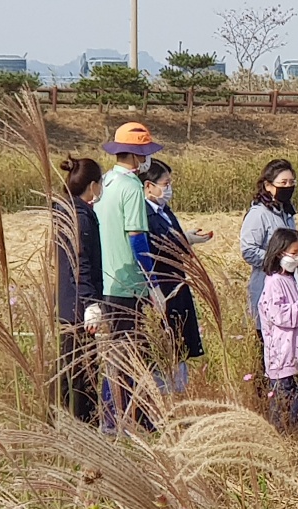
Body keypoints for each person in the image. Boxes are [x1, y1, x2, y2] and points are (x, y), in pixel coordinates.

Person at [93, 122, 162, 432]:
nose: (145, 161)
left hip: (107, 279)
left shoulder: (106, 182)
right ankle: (115, 419)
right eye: (144, 154)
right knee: (130, 355)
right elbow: (136, 237)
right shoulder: (132, 186)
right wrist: (153, 284)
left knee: (119, 353)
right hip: (128, 284)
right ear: (136, 156)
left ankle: (125, 417)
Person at [140, 158, 207, 393]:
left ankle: (179, 393)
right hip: (162, 287)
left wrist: (186, 237)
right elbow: (153, 247)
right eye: (165, 184)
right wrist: (181, 241)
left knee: (179, 346)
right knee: (164, 347)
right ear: (149, 186)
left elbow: (172, 237)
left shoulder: (164, 211)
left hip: (176, 285)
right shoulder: (143, 216)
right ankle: (164, 396)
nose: (168, 189)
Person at [239, 159, 298, 401]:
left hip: (288, 287)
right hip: (265, 287)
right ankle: (264, 401)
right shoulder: (259, 214)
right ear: (267, 185)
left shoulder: (286, 212)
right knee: (265, 347)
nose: (288, 186)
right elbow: (248, 249)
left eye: (292, 182)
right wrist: (276, 259)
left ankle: (284, 399)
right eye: (282, 182)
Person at [55, 156, 104, 424]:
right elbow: (80, 263)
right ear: (93, 185)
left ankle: (61, 424)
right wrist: (90, 304)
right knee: (82, 372)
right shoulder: (81, 217)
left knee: (66, 369)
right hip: (77, 308)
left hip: (65, 303)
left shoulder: (64, 210)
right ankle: (82, 427)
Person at [259, 228, 298, 432]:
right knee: (284, 404)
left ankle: (293, 436)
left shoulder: (290, 280)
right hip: (283, 357)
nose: (297, 258)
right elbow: (280, 316)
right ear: (280, 253)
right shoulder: (274, 282)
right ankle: (281, 439)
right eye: (293, 253)